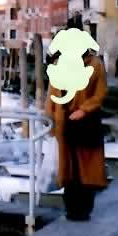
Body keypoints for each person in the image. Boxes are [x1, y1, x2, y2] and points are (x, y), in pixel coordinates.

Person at [46, 46, 108, 221]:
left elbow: (100, 93)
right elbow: (52, 94)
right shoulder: (58, 64)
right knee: (69, 168)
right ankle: (72, 209)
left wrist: (84, 110)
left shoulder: (95, 64)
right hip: (64, 123)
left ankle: (84, 209)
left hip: (87, 122)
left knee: (86, 168)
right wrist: (50, 118)